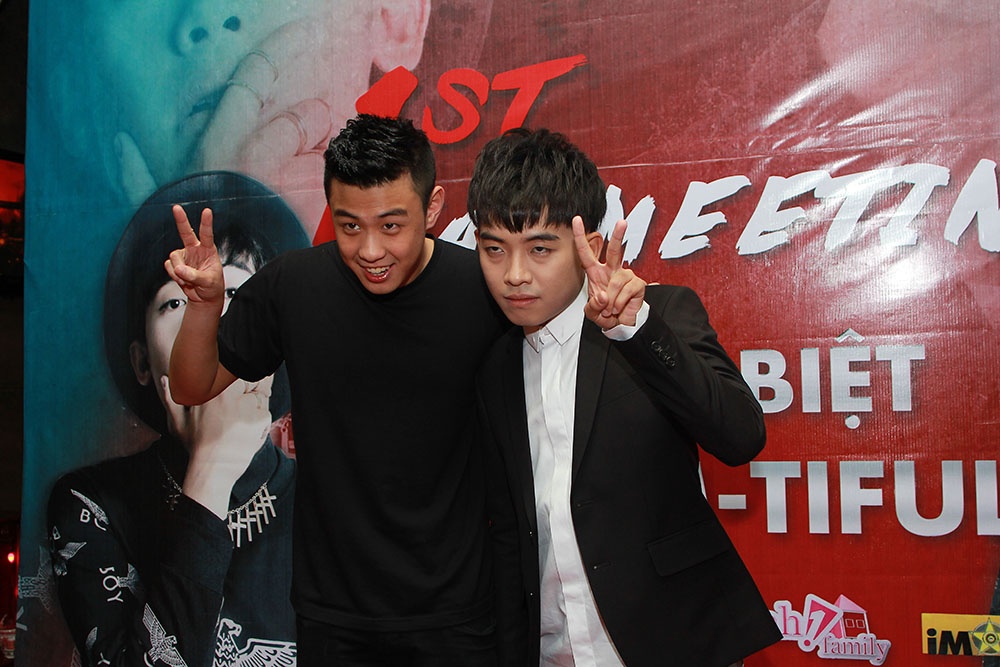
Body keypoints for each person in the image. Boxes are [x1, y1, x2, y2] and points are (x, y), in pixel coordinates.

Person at [164, 115, 507, 666]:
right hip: (333, 614)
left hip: (456, 611)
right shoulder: (293, 286)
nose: (370, 249)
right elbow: (191, 386)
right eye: (350, 226)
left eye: (391, 225)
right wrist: (204, 307)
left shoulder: (484, 290)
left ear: (433, 208)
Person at [468, 128, 782, 667]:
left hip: (673, 642)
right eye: (494, 249)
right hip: (551, 651)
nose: (514, 275)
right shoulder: (494, 365)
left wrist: (634, 331)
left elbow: (741, 436)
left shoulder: (659, 316)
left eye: (539, 249)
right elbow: (507, 529)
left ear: (588, 247)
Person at [47, 172, 309, 667]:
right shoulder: (91, 505)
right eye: (177, 301)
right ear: (142, 362)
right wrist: (210, 469)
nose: (207, 324)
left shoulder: (329, 500)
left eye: (235, 296)